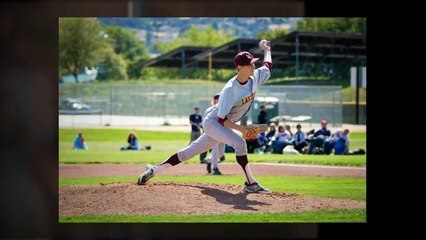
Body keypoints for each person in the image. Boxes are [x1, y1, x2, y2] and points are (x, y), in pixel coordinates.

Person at [138, 39, 273, 194]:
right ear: (239, 67)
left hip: (221, 124)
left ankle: (153, 170)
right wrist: (241, 129)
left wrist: (266, 49)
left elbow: (268, 66)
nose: (253, 66)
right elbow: (221, 119)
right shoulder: (230, 90)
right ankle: (250, 183)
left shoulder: (255, 77)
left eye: (253, 63)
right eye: (249, 64)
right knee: (240, 143)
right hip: (214, 121)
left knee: (187, 153)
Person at [203, 93, 225, 175]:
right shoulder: (210, 109)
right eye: (219, 98)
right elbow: (204, 122)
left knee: (221, 154)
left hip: (223, 133)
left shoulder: (224, 108)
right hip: (213, 132)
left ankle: (208, 160)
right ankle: (215, 169)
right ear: (215, 100)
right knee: (215, 151)